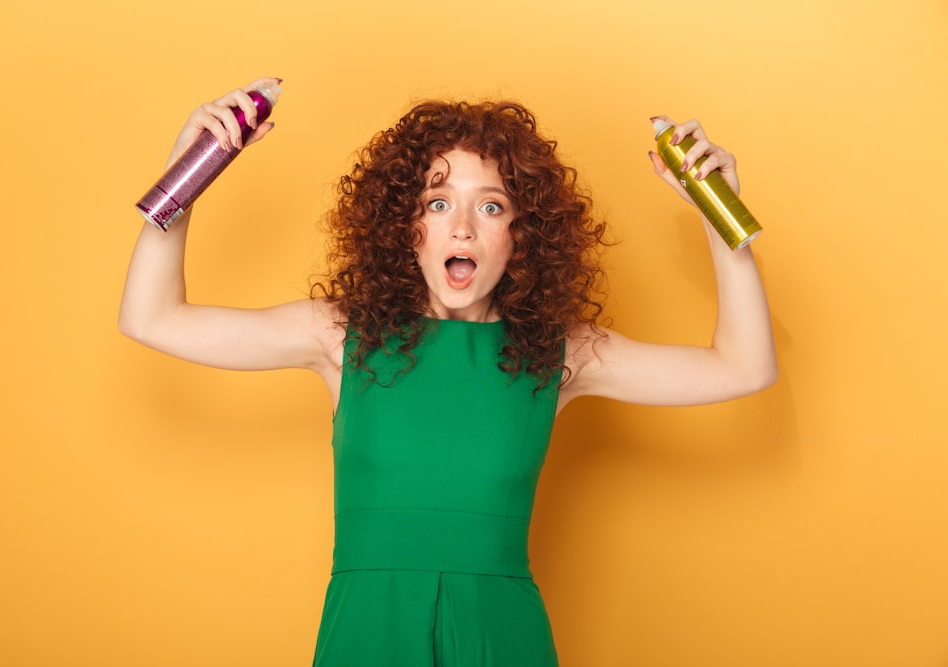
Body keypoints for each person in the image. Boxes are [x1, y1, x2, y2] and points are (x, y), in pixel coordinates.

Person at [119, 77, 777, 666]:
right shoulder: (341, 334)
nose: (460, 226)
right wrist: (186, 173)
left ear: (522, 233)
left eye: (490, 207)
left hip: (502, 640)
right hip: (366, 638)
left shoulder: (560, 354)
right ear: (406, 225)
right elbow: (152, 316)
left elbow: (742, 366)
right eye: (437, 203)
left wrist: (720, 219)